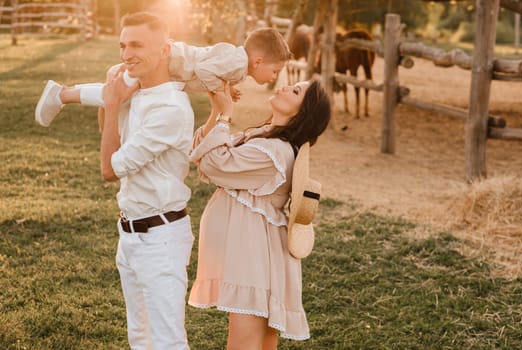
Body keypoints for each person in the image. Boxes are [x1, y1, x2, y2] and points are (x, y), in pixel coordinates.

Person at [188, 79, 331, 349]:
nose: (286, 87)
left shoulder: (275, 152)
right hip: (250, 250)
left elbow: (215, 164)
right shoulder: (265, 136)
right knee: (259, 343)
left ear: (302, 112)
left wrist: (226, 115)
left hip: (254, 255)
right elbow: (202, 152)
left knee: (244, 343)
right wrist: (217, 111)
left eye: (296, 91)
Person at [99, 12, 194, 349]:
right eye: (123, 45)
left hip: (161, 238)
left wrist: (111, 105)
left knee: (167, 342)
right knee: (140, 337)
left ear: (165, 49)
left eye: (136, 45)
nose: (126, 54)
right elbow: (110, 143)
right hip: (130, 234)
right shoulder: (138, 96)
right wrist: (114, 103)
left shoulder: (170, 107)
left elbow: (109, 170)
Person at [34, 25, 291, 127]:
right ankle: (62, 94)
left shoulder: (238, 64)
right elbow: (204, 71)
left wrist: (227, 88)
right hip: (169, 63)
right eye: (274, 71)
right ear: (258, 61)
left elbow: (211, 71)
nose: (273, 77)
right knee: (119, 92)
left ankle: (70, 95)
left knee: (122, 93)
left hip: (170, 64)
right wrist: (222, 89)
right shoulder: (237, 63)